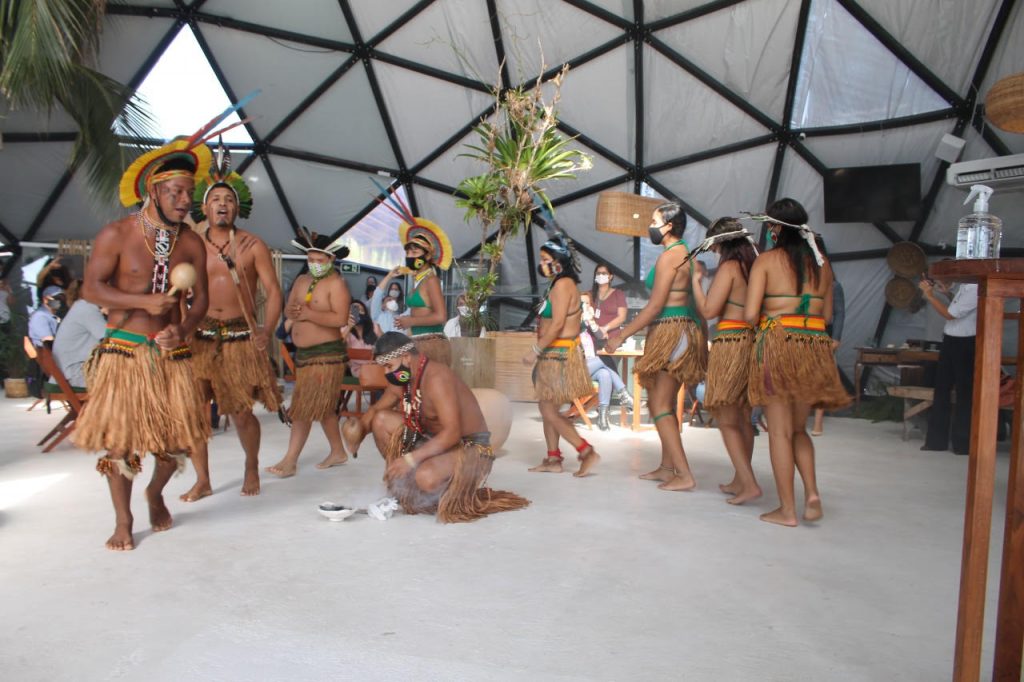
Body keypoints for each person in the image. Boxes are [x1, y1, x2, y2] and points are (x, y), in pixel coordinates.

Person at [74, 133, 214, 550]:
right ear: (152, 190)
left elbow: (201, 298)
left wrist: (183, 329)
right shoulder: (117, 234)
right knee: (120, 443)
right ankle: (124, 518)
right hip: (125, 352)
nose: (185, 200)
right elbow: (92, 289)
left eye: (189, 192)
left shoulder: (190, 242)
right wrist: (141, 300)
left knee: (179, 441)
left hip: (172, 354)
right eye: (175, 191)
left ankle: (155, 493)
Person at [180, 152, 284, 502]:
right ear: (205, 208)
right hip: (201, 336)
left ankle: (251, 465)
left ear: (236, 209)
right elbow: (180, 292)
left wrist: (266, 330)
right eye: (216, 200)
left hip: (241, 334)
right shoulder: (190, 243)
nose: (222, 205)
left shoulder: (254, 246)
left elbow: (273, 293)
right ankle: (202, 478)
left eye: (228, 200)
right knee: (195, 412)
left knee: (241, 412)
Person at [744, 198, 849, 526]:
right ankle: (812, 494)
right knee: (798, 429)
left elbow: (749, 314)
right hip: (813, 347)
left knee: (778, 433)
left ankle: (788, 509)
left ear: (775, 228)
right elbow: (828, 315)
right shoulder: (823, 265)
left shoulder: (766, 262)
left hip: (778, 345)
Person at [370, 331, 530, 522]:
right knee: (381, 420)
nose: (387, 373)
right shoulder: (405, 377)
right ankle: (399, 488)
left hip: (470, 449)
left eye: (389, 366)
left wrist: (411, 459)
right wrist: (358, 427)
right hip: (434, 442)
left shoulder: (437, 378)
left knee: (426, 477)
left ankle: (442, 493)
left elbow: (452, 434)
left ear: (405, 357)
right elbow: (377, 410)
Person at [606, 202, 708, 491]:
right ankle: (666, 467)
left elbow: (654, 307)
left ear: (669, 225)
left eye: (654, 220)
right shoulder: (686, 254)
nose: (650, 226)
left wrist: (621, 335)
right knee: (664, 401)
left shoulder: (670, 257)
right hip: (683, 331)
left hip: (671, 331)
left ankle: (685, 474)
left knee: (659, 404)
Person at [266, 233, 351, 477]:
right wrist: (291, 310)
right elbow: (290, 307)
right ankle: (338, 452)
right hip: (304, 355)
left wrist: (309, 314)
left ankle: (290, 460)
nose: (314, 262)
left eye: (319, 259)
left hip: (326, 357)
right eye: (310, 258)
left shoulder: (337, 284)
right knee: (322, 407)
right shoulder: (302, 280)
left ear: (330, 259)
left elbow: (340, 319)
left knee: (303, 407)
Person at [690, 217, 761, 504]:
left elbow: (708, 310)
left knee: (727, 419)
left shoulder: (730, 267)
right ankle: (739, 479)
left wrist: (697, 281)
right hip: (751, 343)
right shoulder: (754, 266)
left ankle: (749, 483)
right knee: (743, 417)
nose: (714, 252)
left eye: (715, 246)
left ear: (721, 243)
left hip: (730, 342)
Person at [524, 233, 600, 476]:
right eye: (541, 258)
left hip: (559, 354)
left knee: (547, 410)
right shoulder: (561, 284)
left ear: (559, 260)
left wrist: (535, 351)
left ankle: (586, 451)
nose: (542, 263)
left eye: (547, 258)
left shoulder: (561, 285)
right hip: (556, 354)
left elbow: (557, 325)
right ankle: (553, 458)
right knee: (547, 407)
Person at [919, 278, 977, 455]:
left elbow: (950, 314)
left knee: (964, 393)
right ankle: (936, 441)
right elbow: (957, 308)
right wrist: (947, 294)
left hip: (966, 343)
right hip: (950, 339)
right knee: (941, 390)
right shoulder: (965, 286)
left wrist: (930, 295)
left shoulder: (976, 288)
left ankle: (962, 442)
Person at [393, 219, 453, 365]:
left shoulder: (431, 280)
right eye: (407, 252)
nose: (410, 256)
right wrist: (406, 321)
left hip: (431, 343)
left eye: (415, 252)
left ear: (426, 256)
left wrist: (410, 321)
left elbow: (441, 316)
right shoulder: (417, 280)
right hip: (418, 340)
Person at [580, 290, 632, 430]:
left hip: (590, 367)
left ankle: (602, 417)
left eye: (586, 303)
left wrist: (590, 321)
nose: (583, 307)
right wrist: (581, 322)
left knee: (605, 374)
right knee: (605, 359)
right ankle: (624, 394)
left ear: (591, 306)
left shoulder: (589, 323)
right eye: (581, 304)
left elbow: (601, 336)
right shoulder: (573, 324)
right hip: (575, 368)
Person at [811, 237, 845, 436]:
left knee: (822, 379)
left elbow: (839, 313)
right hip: (803, 331)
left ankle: (818, 421)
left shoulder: (833, 284)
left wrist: (837, 338)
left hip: (824, 332)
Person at [51, 292, 106, 389]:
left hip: (67, 374)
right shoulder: (87, 308)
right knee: (126, 380)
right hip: (75, 376)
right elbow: (111, 339)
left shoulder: (81, 306)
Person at [343, 300, 378, 378]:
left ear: (365, 314)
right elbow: (337, 344)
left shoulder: (374, 327)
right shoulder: (345, 329)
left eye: (361, 310)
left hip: (374, 367)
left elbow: (385, 344)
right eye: (355, 310)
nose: (358, 313)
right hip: (355, 368)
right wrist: (349, 327)